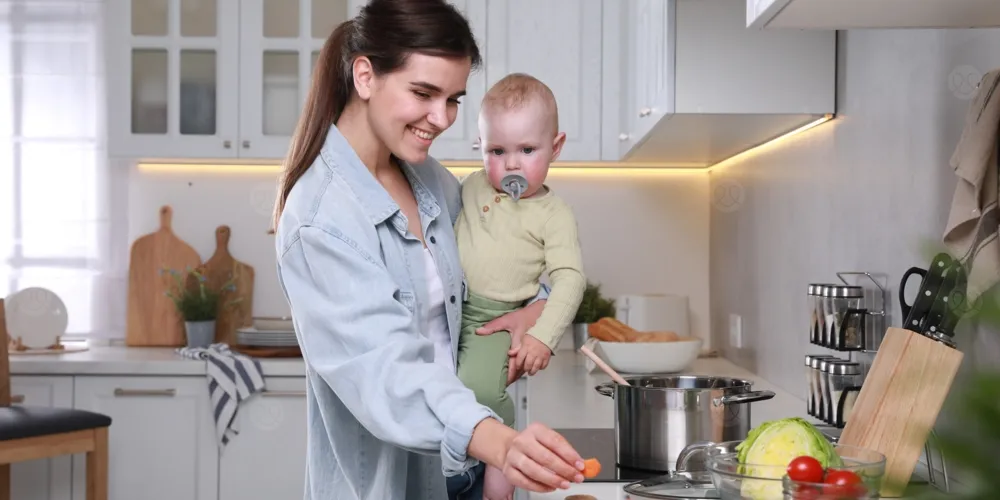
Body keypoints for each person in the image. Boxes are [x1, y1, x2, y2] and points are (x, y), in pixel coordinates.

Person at [269, 0, 587, 499]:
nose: (441, 119)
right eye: (423, 93)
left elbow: (506, 248)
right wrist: (500, 444)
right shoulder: (320, 220)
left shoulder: (430, 179)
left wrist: (540, 306)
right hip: (398, 482)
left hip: (466, 469)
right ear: (366, 76)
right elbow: (388, 372)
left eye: (454, 99)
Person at [454, 73, 587, 500]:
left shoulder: (553, 213)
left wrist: (543, 336)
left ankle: (500, 469)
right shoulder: (471, 186)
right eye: (497, 150)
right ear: (480, 147)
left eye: (527, 150)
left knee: (479, 390)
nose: (511, 164)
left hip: (492, 318)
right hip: (453, 310)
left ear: (556, 147)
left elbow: (570, 278)